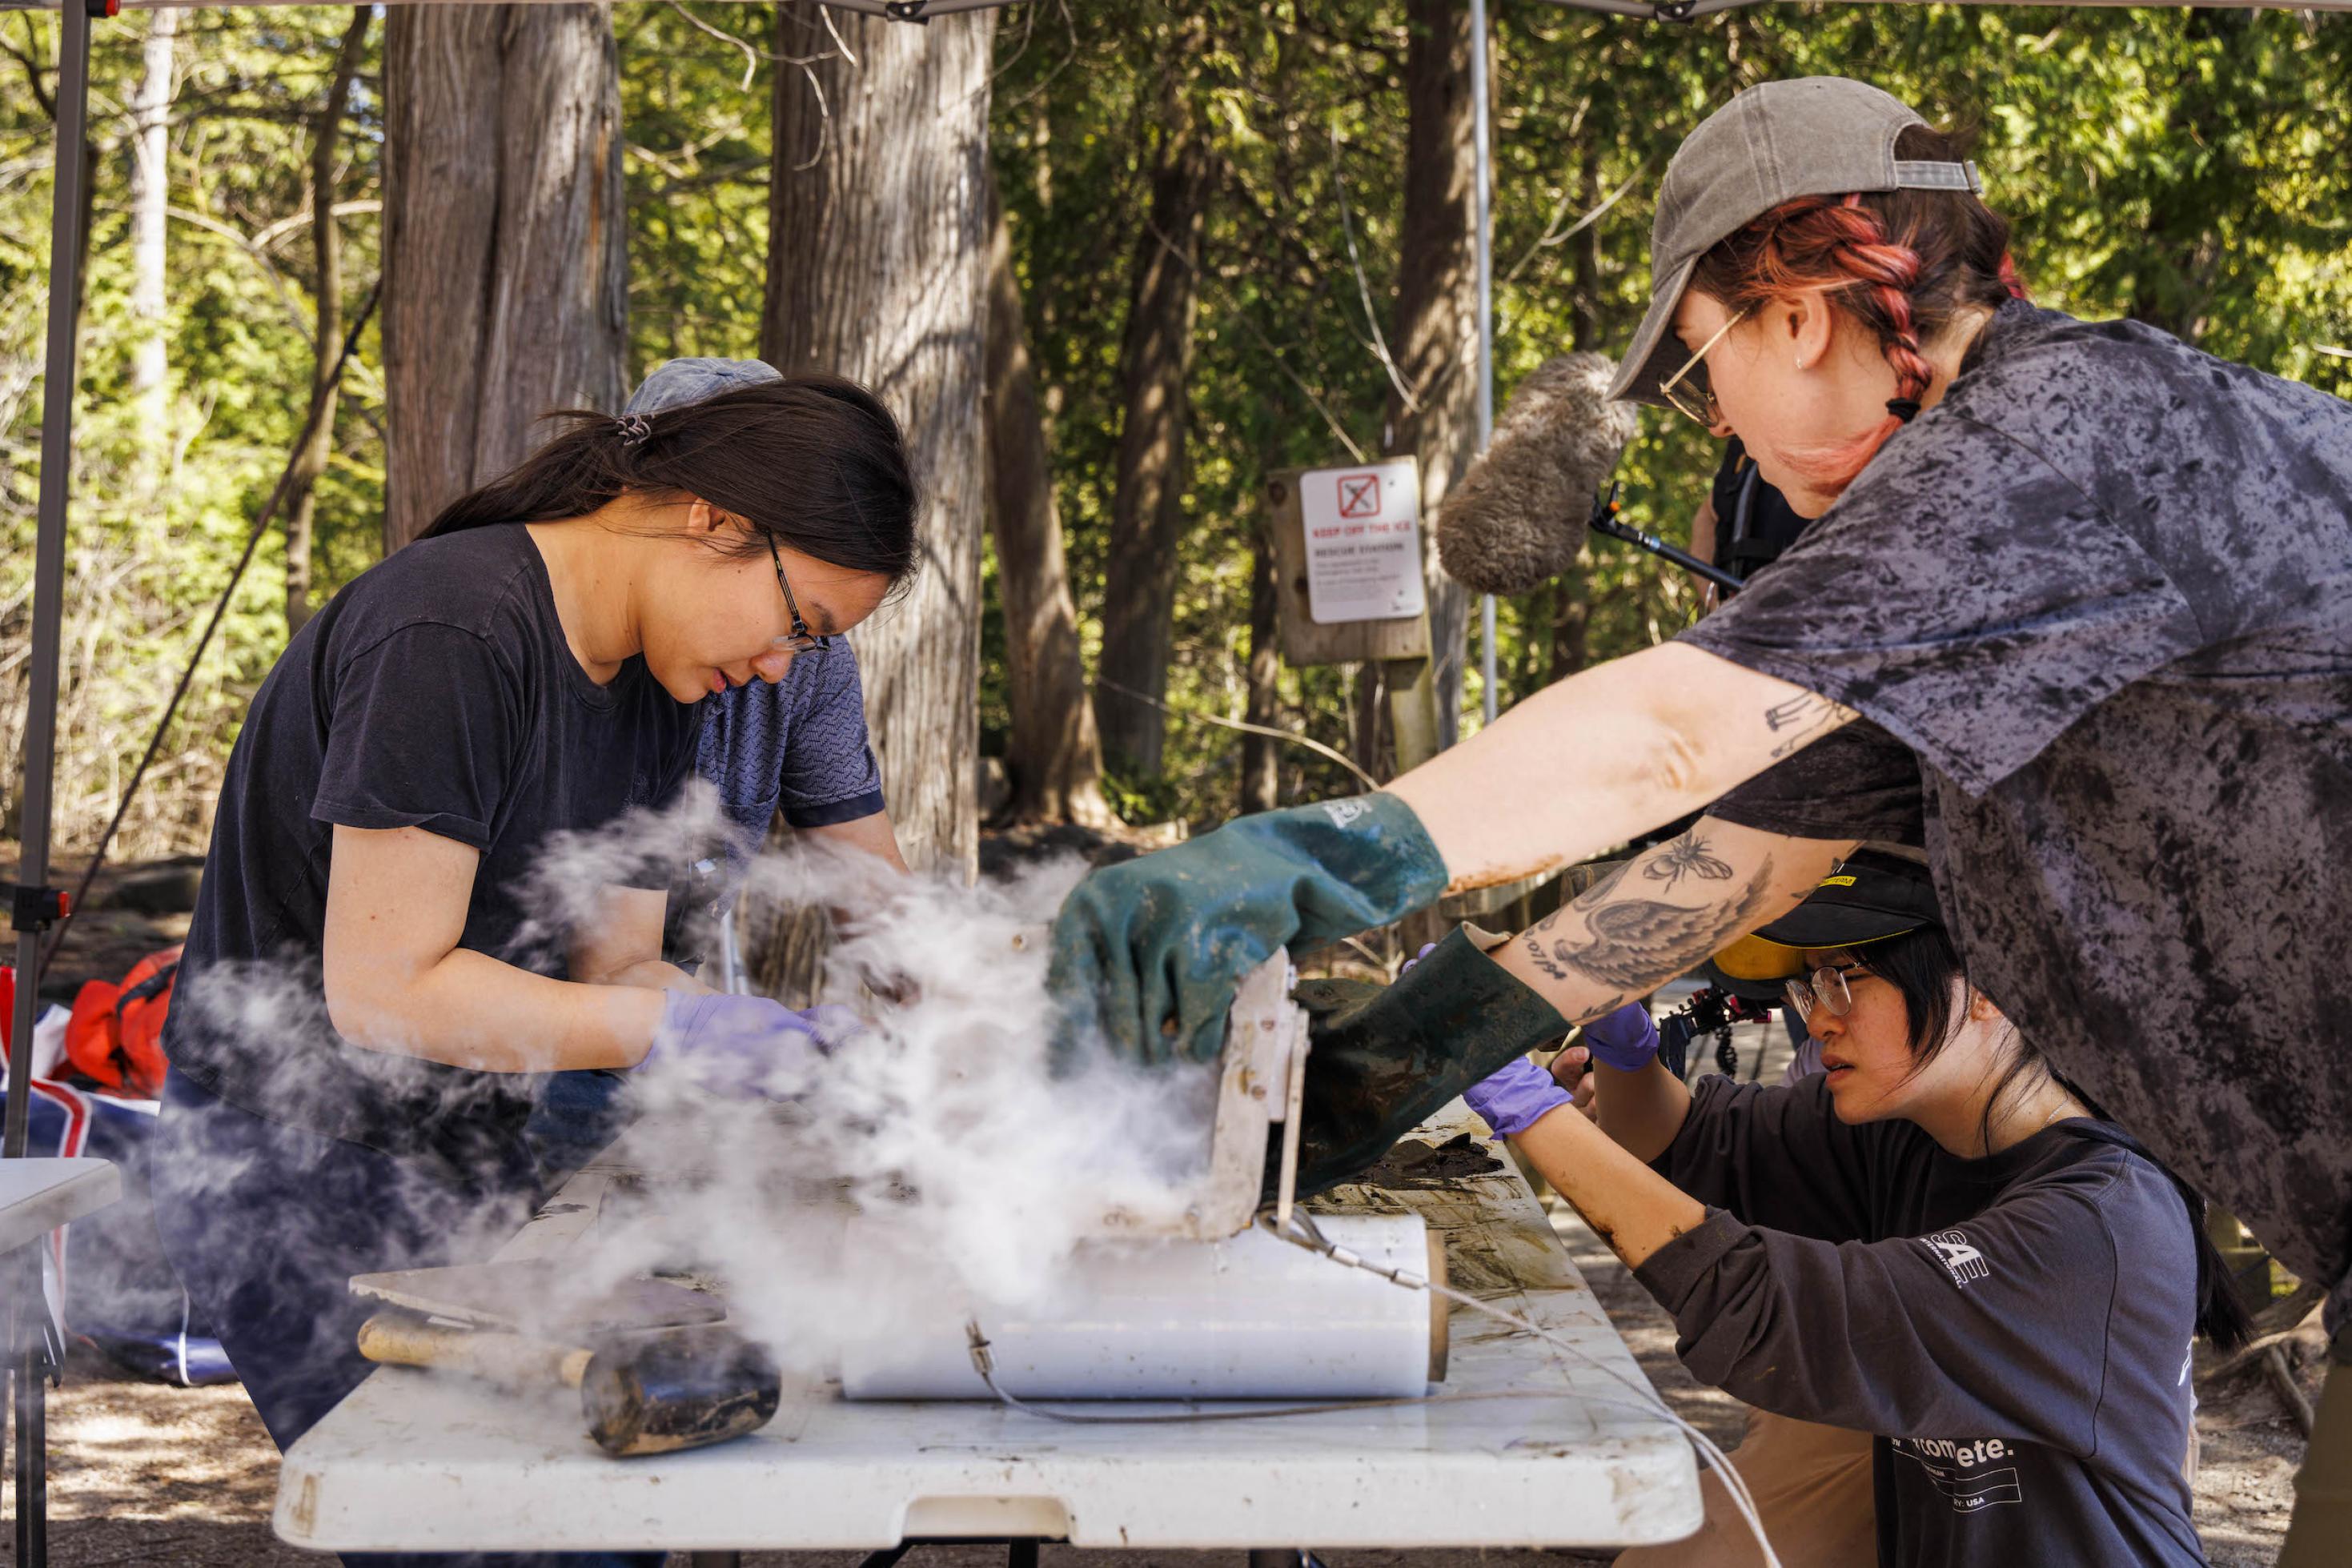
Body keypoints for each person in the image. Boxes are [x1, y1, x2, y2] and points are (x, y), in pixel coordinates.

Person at [1048, 75, 2352, 1553]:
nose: (1710, 415)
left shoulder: (2061, 434)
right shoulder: (2002, 527)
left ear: (1792, 310)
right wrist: (1361, 1081)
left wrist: (1307, 856)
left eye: (1695, 364)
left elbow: (1670, 732)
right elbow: (1717, 868)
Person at [149, 375, 918, 1568]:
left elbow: (616, 956)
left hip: (480, 1161)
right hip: (297, 1171)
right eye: (799, 621)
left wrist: (731, 1027)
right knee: (502, 1545)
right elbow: (387, 989)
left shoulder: (653, 682)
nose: (783, 669)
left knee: (617, 1522)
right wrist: (671, 1035)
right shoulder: (451, 629)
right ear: (717, 519)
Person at [1463, 851, 2240, 1567]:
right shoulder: (1908, 1132)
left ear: (1990, 986)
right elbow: (1688, 1140)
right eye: (1811, 984)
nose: (1818, 1016)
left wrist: (1525, 1109)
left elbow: (1775, 1313)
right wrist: (1621, 1044)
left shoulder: (2093, 1227)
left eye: (1846, 978)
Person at [525, 357, 911, 1187]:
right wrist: (727, 1031)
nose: (785, 655)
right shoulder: (563, 646)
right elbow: (609, 965)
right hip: (511, 1045)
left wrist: (967, 1007)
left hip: (652, 1040)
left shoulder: (806, 662)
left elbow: (869, 886)